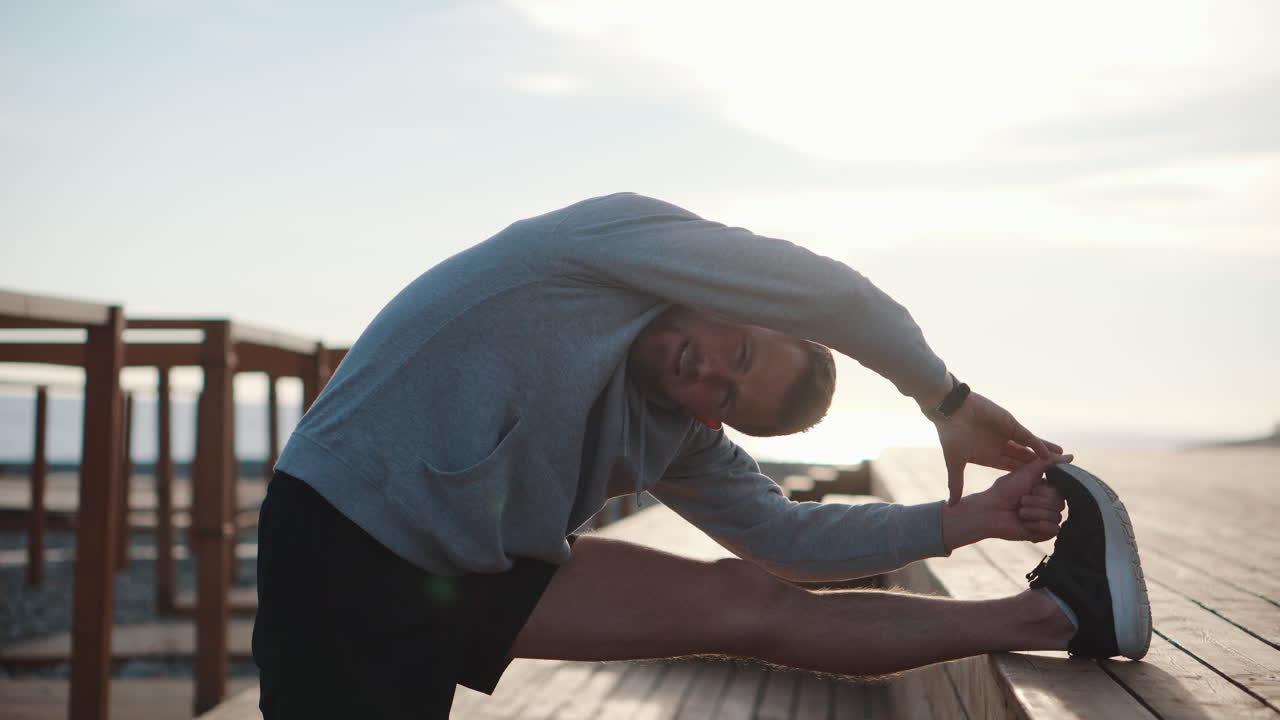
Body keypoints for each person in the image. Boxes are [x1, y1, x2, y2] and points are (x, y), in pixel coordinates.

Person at [251, 192, 1150, 719]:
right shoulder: (596, 252)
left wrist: (966, 521)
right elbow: (832, 294)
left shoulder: (676, 426)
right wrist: (942, 399)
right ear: (742, 305)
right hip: (342, 534)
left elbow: (788, 540)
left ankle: (1062, 620)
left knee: (750, 600)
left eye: (726, 397)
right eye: (743, 353)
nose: (711, 372)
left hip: (465, 565)